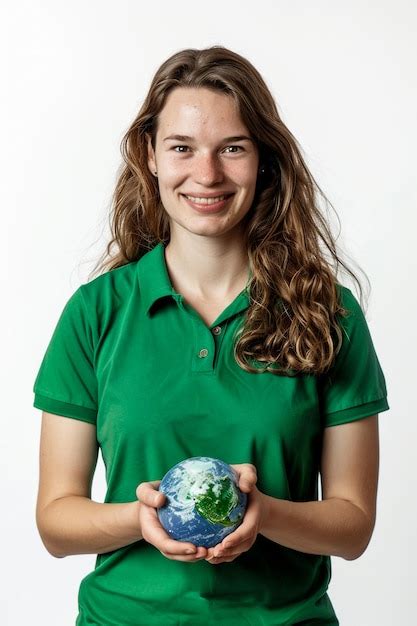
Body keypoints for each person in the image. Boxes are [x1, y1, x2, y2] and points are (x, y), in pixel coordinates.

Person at [33, 45, 390, 626]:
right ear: (149, 155)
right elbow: (55, 521)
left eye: (232, 148)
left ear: (263, 159)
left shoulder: (328, 312)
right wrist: (139, 518)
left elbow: (352, 527)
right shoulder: (96, 312)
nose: (207, 175)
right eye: (182, 148)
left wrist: (264, 513)